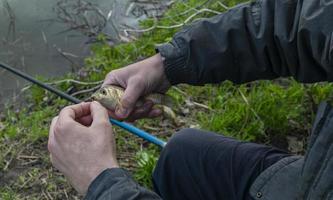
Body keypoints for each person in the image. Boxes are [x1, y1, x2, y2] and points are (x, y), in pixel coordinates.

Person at [47, 0, 333, 199]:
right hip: (317, 177)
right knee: (181, 152)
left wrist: (100, 179)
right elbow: (297, 21)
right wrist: (167, 64)